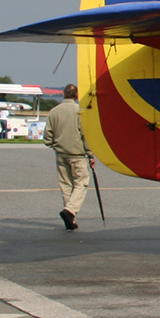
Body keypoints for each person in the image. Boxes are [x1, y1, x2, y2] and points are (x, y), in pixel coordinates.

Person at [44, 84, 92, 230]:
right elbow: (85, 135)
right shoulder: (80, 112)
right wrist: (90, 154)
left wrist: (53, 144)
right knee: (81, 182)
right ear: (77, 95)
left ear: (63, 94)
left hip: (61, 153)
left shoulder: (54, 111)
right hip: (77, 154)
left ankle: (70, 218)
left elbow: (47, 136)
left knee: (66, 185)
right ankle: (70, 210)